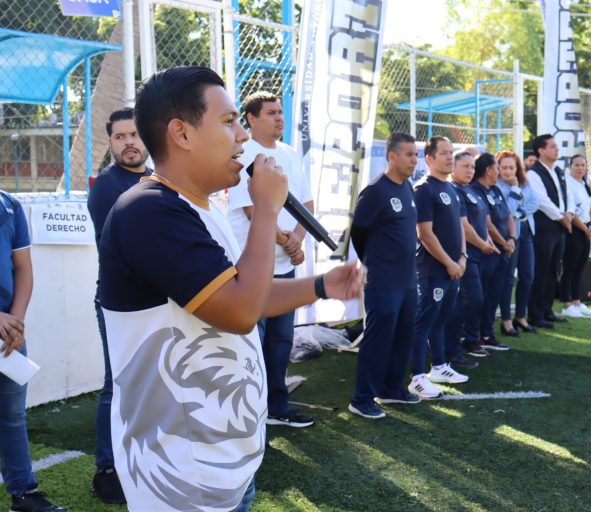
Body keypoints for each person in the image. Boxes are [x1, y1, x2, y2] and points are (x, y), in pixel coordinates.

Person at [98, 67, 362, 512]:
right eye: (229, 121)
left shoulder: (198, 209)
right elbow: (241, 312)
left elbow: (241, 293)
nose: (242, 136)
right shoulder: (148, 211)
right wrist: (265, 209)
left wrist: (319, 285)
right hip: (181, 472)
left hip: (222, 460)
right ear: (180, 133)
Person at [0, 118, 67, 512]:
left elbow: (24, 270)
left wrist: (14, 320)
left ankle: (25, 495)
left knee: (11, 420)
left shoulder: (8, 204)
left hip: (7, 338)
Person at [227, 91, 314, 429]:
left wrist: (297, 241)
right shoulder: (243, 152)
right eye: (271, 113)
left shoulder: (291, 154)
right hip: (253, 266)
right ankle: (249, 413)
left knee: (281, 341)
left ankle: (277, 406)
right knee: (253, 341)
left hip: (285, 265)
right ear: (250, 118)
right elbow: (252, 209)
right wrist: (286, 241)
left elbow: (305, 204)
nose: (279, 118)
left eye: (280, 112)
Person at [86, 108, 151, 505]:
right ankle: (106, 469)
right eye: (120, 136)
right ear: (110, 143)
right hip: (118, 305)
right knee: (118, 386)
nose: (129, 142)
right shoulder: (107, 188)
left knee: (150, 386)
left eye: (134, 134)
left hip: (155, 304)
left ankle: (141, 461)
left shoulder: (157, 181)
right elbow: (137, 247)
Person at [348, 132, 420, 419]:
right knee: (378, 338)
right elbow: (359, 231)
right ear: (392, 156)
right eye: (409, 155)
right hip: (383, 280)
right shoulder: (376, 190)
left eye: (416, 155)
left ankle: (392, 389)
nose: (414, 160)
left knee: (403, 336)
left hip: (407, 280)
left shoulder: (408, 187)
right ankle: (361, 397)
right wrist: (373, 262)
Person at [407, 136, 467, 400]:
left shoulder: (452, 188)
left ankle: (440, 367)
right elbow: (425, 234)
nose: (449, 157)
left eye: (451, 152)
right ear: (428, 158)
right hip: (432, 269)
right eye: (443, 153)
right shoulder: (424, 189)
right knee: (424, 322)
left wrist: (462, 257)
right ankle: (417, 377)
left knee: (441, 319)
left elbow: (460, 227)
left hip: (454, 267)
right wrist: (449, 262)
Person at [445, 150, 495, 364]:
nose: (469, 170)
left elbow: (482, 220)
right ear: (453, 167)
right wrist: (483, 244)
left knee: (473, 301)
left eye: (472, 167)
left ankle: (456, 345)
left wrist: (488, 242)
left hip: (477, 254)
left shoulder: (469, 190)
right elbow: (464, 227)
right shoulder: (455, 190)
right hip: (464, 256)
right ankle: (449, 347)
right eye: (465, 166)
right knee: (471, 300)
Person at [525, 134, 573, 329]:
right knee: (541, 270)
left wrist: (569, 213)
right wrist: (561, 216)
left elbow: (567, 194)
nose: (556, 149)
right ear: (541, 150)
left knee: (554, 270)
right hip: (545, 228)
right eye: (552, 146)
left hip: (560, 226)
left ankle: (547, 309)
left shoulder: (559, 171)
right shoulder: (533, 174)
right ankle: (535, 314)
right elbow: (541, 200)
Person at [473, 152, 514, 347]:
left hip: (504, 251)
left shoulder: (496, 190)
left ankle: (488, 334)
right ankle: (475, 335)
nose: (499, 171)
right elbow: (488, 224)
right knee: (482, 294)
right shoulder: (475, 190)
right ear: (488, 170)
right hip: (488, 252)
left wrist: (512, 239)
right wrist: (503, 243)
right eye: (497, 167)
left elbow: (508, 216)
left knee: (495, 294)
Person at [497, 151, 539, 334]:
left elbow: (534, 204)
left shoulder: (525, 182)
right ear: (497, 168)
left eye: (511, 167)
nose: (508, 171)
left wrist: (518, 213)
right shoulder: (497, 186)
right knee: (507, 279)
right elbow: (507, 209)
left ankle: (520, 316)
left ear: (517, 168)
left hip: (526, 233)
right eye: (504, 167)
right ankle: (506, 320)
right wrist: (514, 191)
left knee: (528, 275)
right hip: (509, 237)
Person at [559, 155, 591, 318]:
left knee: (580, 267)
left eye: (583, 165)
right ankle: (566, 304)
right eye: (576, 165)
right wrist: (584, 228)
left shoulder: (585, 183)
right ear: (570, 167)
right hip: (574, 230)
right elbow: (571, 211)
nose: (580, 168)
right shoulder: (568, 184)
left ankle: (576, 301)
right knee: (570, 267)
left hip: (586, 230)